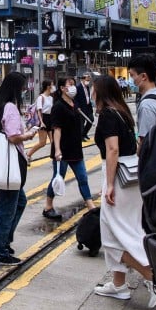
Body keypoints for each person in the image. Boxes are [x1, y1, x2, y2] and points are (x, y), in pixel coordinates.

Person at [91, 76, 156, 308]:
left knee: (113, 237)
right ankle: (118, 284)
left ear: (101, 91)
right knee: (122, 229)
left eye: (93, 88)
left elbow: (112, 150)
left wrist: (110, 184)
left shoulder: (108, 115)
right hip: (131, 175)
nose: (90, 91)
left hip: (118, 177)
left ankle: (151, 276)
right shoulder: (122, 111)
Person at [0, 72, 37, 266]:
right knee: (7, 208)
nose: (24, 90)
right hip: (9, 165)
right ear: (16, 88)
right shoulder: (10, 108)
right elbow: (14, 137)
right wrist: (30, 134)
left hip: (3, 163)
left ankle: (4, 242)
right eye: (23, 87)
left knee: (19, 202)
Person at [42, 76, 96, 220]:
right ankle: (48, 206)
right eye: (69, 84)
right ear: (62, 88)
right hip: (63, 149)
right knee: (58, 178)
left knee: (83, 177)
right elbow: (57, 129)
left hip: (75, 148)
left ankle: (91, 206)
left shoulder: (74, 103)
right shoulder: (58, 106)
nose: (72, 87)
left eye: (73, 84)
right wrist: (57, 149)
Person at [128, 54, 156, 138]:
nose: (131, 80)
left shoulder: (147, 105)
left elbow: (146, 141)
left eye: (132, 75)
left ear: (143, 76)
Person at [27, 80, 54, 161]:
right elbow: (39, 111)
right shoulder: (41, 97)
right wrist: (41, 122)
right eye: (52, 85)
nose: (53, 87)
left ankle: (55, 158)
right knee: (42, 143)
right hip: (43, 119)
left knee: (54, 141)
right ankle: (28, 154)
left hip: (50, 119)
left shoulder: (51, 98)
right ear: (48, 86)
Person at [76, 71, 95, 141]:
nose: (88, 82)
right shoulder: (78, 87)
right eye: (87, 80)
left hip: (88, 107)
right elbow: (76, 98)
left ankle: (84, 133)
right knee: (82, 122)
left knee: (91, 120)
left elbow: (88, 96)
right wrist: (77, 107)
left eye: (89, 80)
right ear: (82, 79)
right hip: (81, 108)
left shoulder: (87, 87)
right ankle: (81, 136)